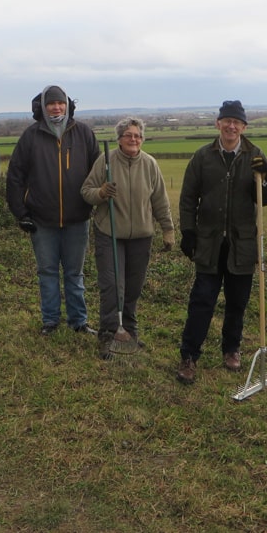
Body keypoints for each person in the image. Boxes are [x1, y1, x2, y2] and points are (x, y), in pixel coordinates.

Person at [175, 100, 267, 385]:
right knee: (202, 301)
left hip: (242, 244)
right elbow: (187, 198)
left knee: (237, 303)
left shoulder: (255, 155)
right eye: (227, 120)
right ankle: (189, 356)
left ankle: (231, 349)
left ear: (244, 127)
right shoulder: (202, 157)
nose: (231, 126)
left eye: (237, 122)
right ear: (218, 123)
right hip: (208, 243)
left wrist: (266, 177)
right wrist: (188, 232)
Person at [6, 85, 100, 336]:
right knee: (47, 272)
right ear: (43, 107)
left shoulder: (83, 133)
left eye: (60, 103)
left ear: (68, 106)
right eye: (51, 104)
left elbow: (98, 172)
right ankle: (50, 321)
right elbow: (15, 176)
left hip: (78, 218)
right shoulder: (31, 136)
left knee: (74, 273)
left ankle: (79, 321)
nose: (56, 108)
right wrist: (21, 213)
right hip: (42, 220)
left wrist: (96, 204)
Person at [81, 117, 175, 359]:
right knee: (113, 286)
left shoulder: (150, 164)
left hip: (142, 236)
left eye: (138, 136)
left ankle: (129, 331)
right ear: (119, 139)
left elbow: (160, 201)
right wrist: (101, 193)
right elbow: (86, 191)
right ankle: (108, 333)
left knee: (133, 287)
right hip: (110, 233)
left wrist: (168, 229)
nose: (134, 139)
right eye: (128, 135)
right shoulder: (106, 161)